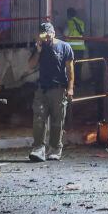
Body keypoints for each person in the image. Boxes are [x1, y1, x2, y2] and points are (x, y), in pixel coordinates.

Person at [28, 22, 74, 162]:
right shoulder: (39, 48)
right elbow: (31, 65)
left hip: (59, 88)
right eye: (43, 35)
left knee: (57, 120)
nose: (46, 38)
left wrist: (70, 88)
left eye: (48, 35)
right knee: (39, 118)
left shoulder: (64, 47)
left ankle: (55, 149)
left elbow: (70, 70)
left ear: (53, 33)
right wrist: (38, 50)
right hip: (42, 88)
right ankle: (38, 149)